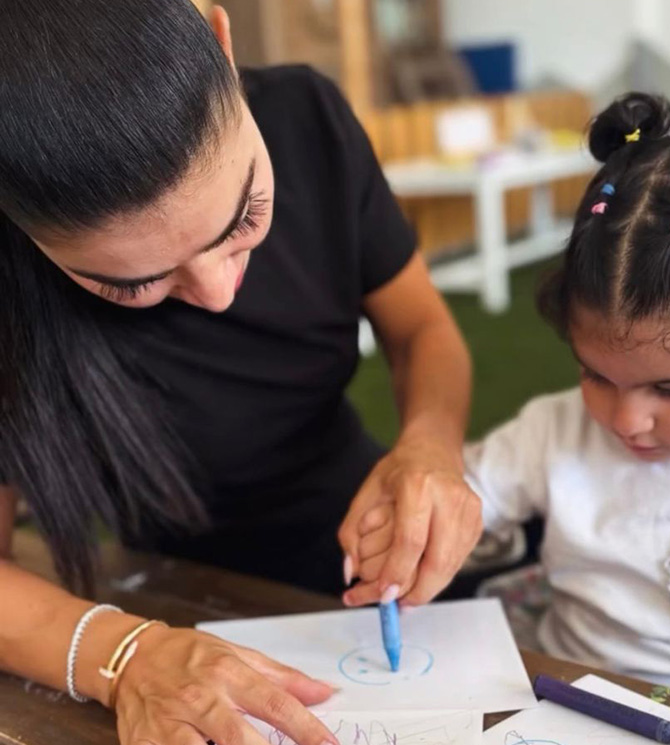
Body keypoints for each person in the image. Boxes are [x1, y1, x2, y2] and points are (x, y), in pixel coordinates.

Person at [0, 1, 482, 743]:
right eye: (137, 282)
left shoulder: (307, 117)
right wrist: (125, 656)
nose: (220, 292)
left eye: (244, 215)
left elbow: (423, 330)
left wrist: (430, 445)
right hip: (171, 591)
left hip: (364, 548)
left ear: (220, 45)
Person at [351, 93, 670, 719]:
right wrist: (410, 526)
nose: (625, 420)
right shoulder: (552, 431)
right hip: (571, 698)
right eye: (596, 374)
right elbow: (458, 498)